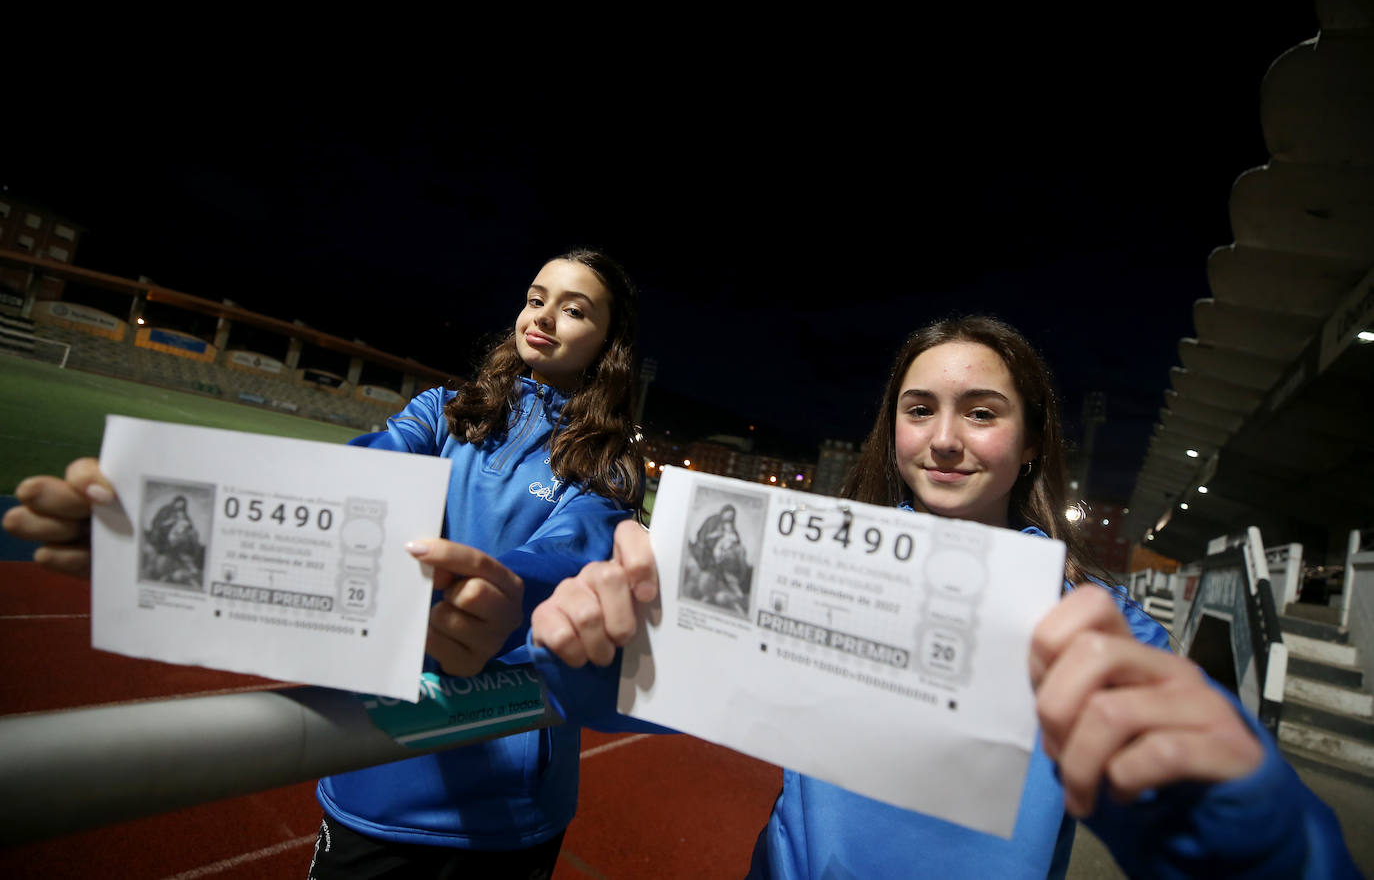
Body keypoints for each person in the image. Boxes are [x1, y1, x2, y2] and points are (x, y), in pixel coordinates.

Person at [527, 315, 1359, 878]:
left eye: (982, 412)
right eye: (920, 410)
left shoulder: (1095, 626)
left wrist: (1268, 830)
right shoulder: (807, 566)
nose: (946, 440)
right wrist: (579, 639)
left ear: (1032, 443)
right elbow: (618, 692)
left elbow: (1237, 835)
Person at [4, 249, 648, 879]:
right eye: (536, 300)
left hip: (511, 797)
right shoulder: (443, 412)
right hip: (376, 761)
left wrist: (506, 596)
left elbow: (571, 549)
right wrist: (180, 519)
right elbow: (351, 481)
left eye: (573, 310)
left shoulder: (608, 463)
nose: (543, 316)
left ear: (610, 343)